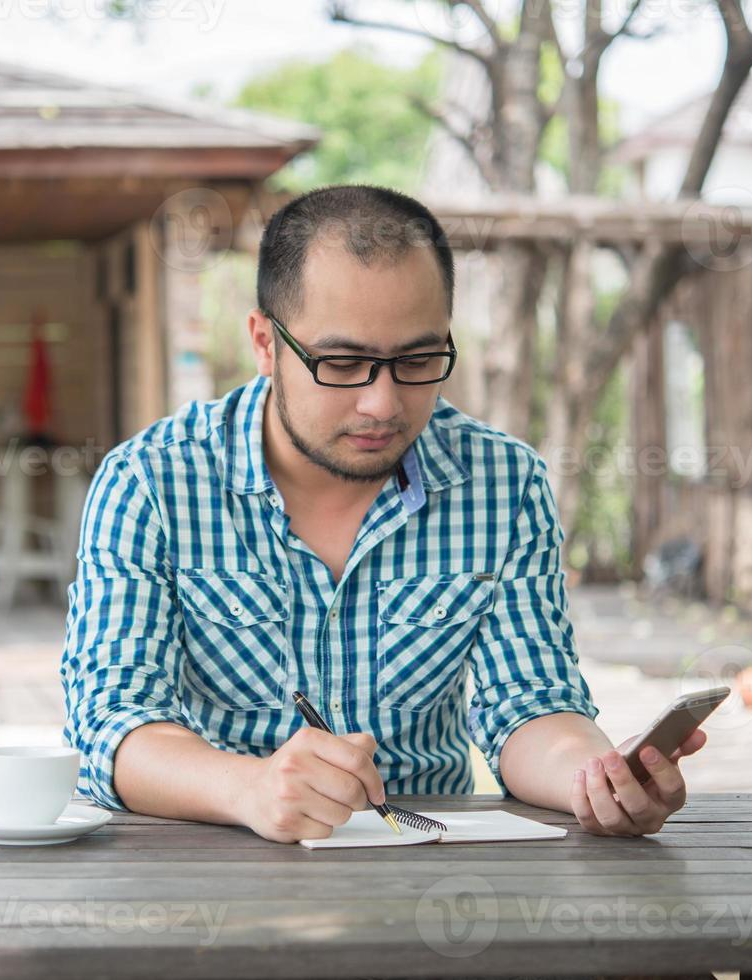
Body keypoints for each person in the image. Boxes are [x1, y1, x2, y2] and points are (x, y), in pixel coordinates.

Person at [60, 184, 705, 843]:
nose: (382, 403)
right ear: (264, 342)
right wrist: (246, 787)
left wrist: (593, 780)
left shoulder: (501, 484)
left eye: (418, 359)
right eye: (341, 362)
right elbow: (111, 720)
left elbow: (531, 705)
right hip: (210, 865)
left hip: (430, 872)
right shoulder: (151, 481)